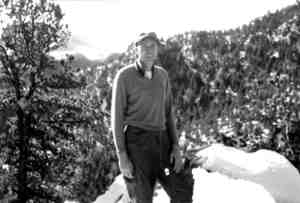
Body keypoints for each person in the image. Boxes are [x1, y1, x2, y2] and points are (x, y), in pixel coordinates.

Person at [111, 32, 194, 203]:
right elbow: (117, 118)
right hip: (138, 147)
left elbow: (168, 113)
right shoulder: (124, 76)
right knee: (143, 199)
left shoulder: (162, 76)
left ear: (157, 50)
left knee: (181, 191)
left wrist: (176, 147)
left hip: (162, 145)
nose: (149, 50)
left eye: (153, 46)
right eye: (144, 46)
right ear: (137, 49)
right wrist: (122, 156)